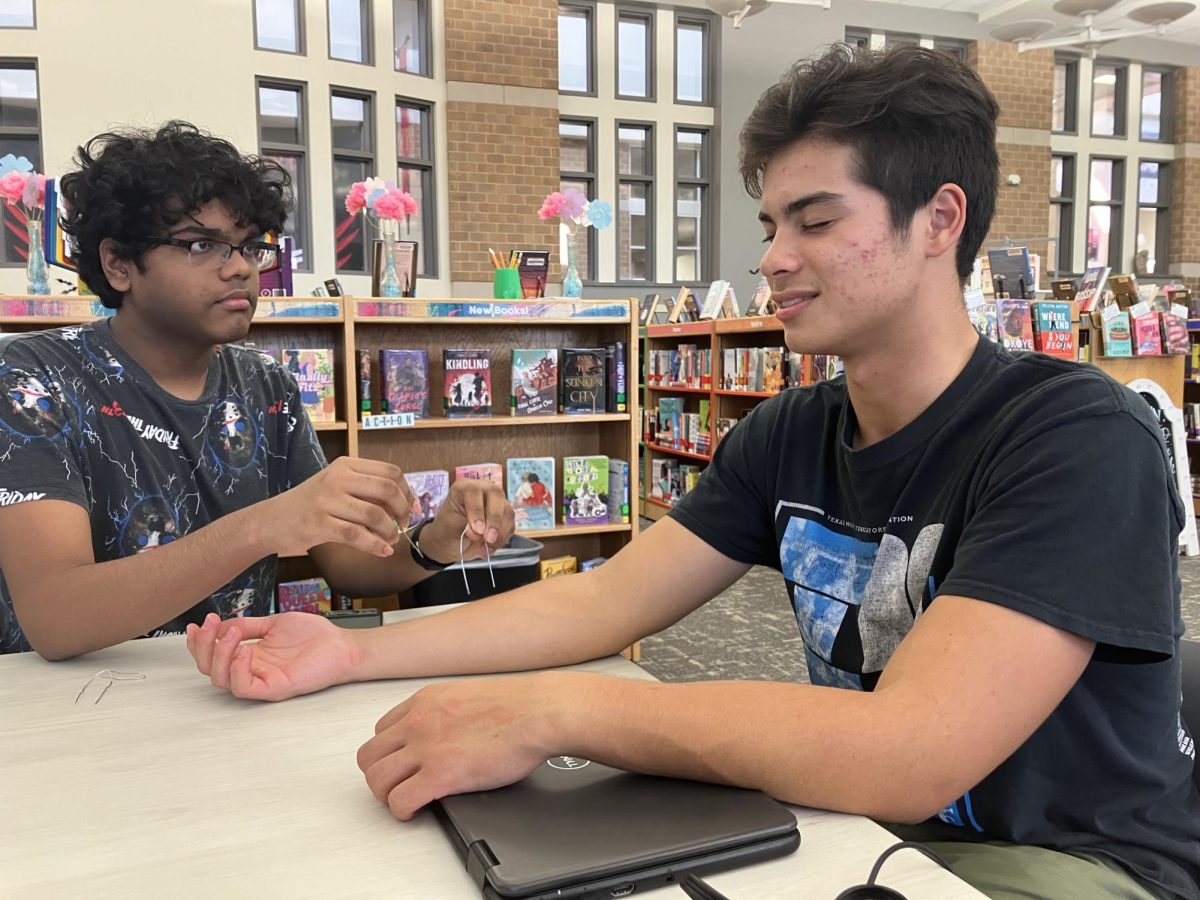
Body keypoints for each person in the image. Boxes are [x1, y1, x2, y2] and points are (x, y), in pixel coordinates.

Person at [188, 48, 1199, 900]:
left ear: (939, 221)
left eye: (815, 220)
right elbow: (602, 602)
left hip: (1068, 863)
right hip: (861, 827)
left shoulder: (1074, 437)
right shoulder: (790, 432)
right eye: (770, 227)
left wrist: (551, 714)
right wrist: (350, 654)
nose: (774, 260)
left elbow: (912, 748)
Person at [0, 121, 513, 659]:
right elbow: (55, 618)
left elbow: (347, 562)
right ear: (118, 263)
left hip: (238, 690)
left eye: (249, 247)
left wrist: (436, 541)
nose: (241, 267)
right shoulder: (33, 379)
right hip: (68, 710)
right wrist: (265, 525)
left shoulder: (265, 384)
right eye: (203, 244)